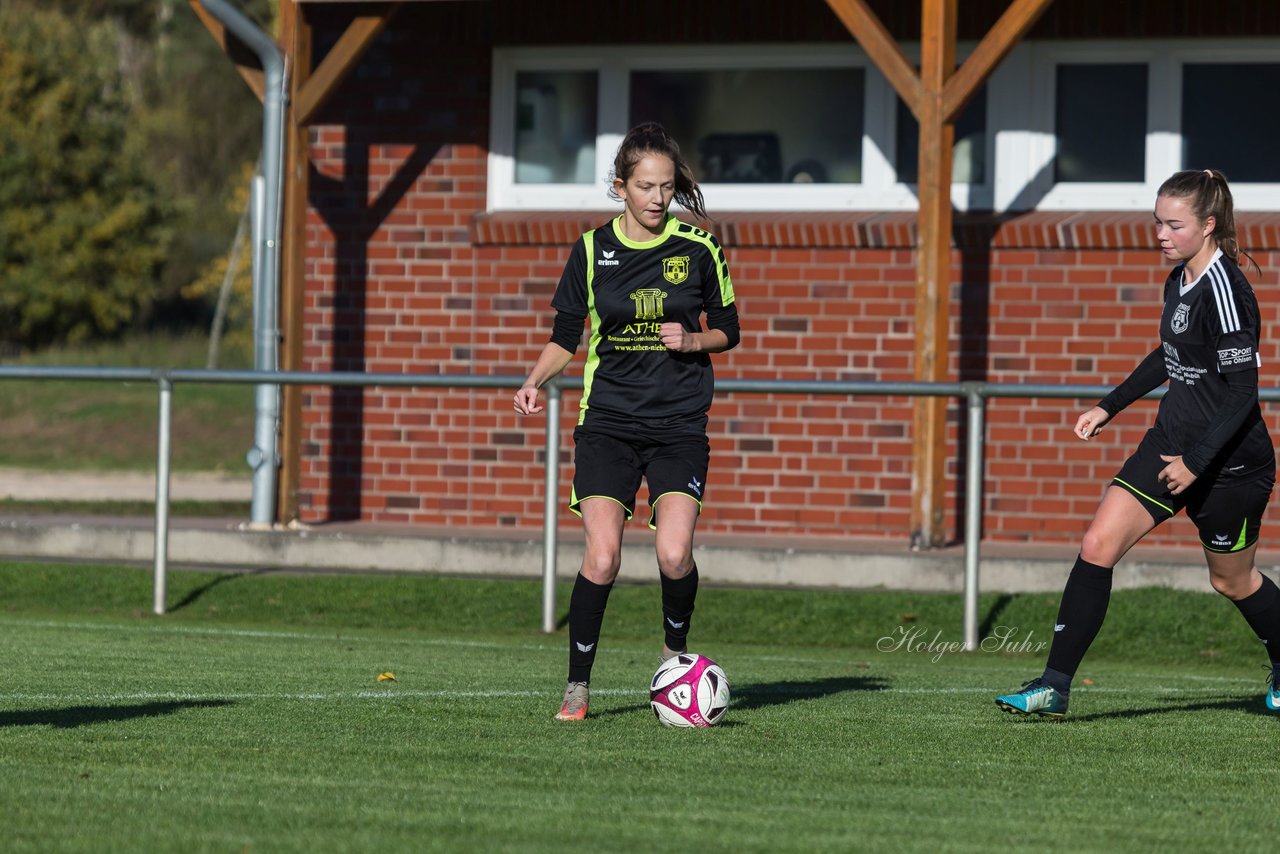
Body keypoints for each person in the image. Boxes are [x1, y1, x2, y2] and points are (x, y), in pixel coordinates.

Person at [996, 168, 1280, 718]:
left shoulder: (1227, 292)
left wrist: (1197, 465)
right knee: (1097, 545)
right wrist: (1109, 405)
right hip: (1168, 442)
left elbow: (1244, 392)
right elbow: (1169, 355)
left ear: (1208, 226)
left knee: (1233, 580)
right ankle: (1053, 686)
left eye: (1174, 224)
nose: (1161, 234)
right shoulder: (1178, 278)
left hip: (1230, 466)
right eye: (1157, 221)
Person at [513, 122, 741, 722]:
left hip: (678, 424)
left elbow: (730, 330)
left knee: (672, 553)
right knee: (604, 556)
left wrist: (693, 342)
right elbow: (567, 338)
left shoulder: (699, 248)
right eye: (645, 186)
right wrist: (534, 381)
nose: (658, 198)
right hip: (608, 422)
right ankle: (578, 688)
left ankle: (675, 658)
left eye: (666, 187)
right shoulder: (591, 249)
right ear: (621, 187)